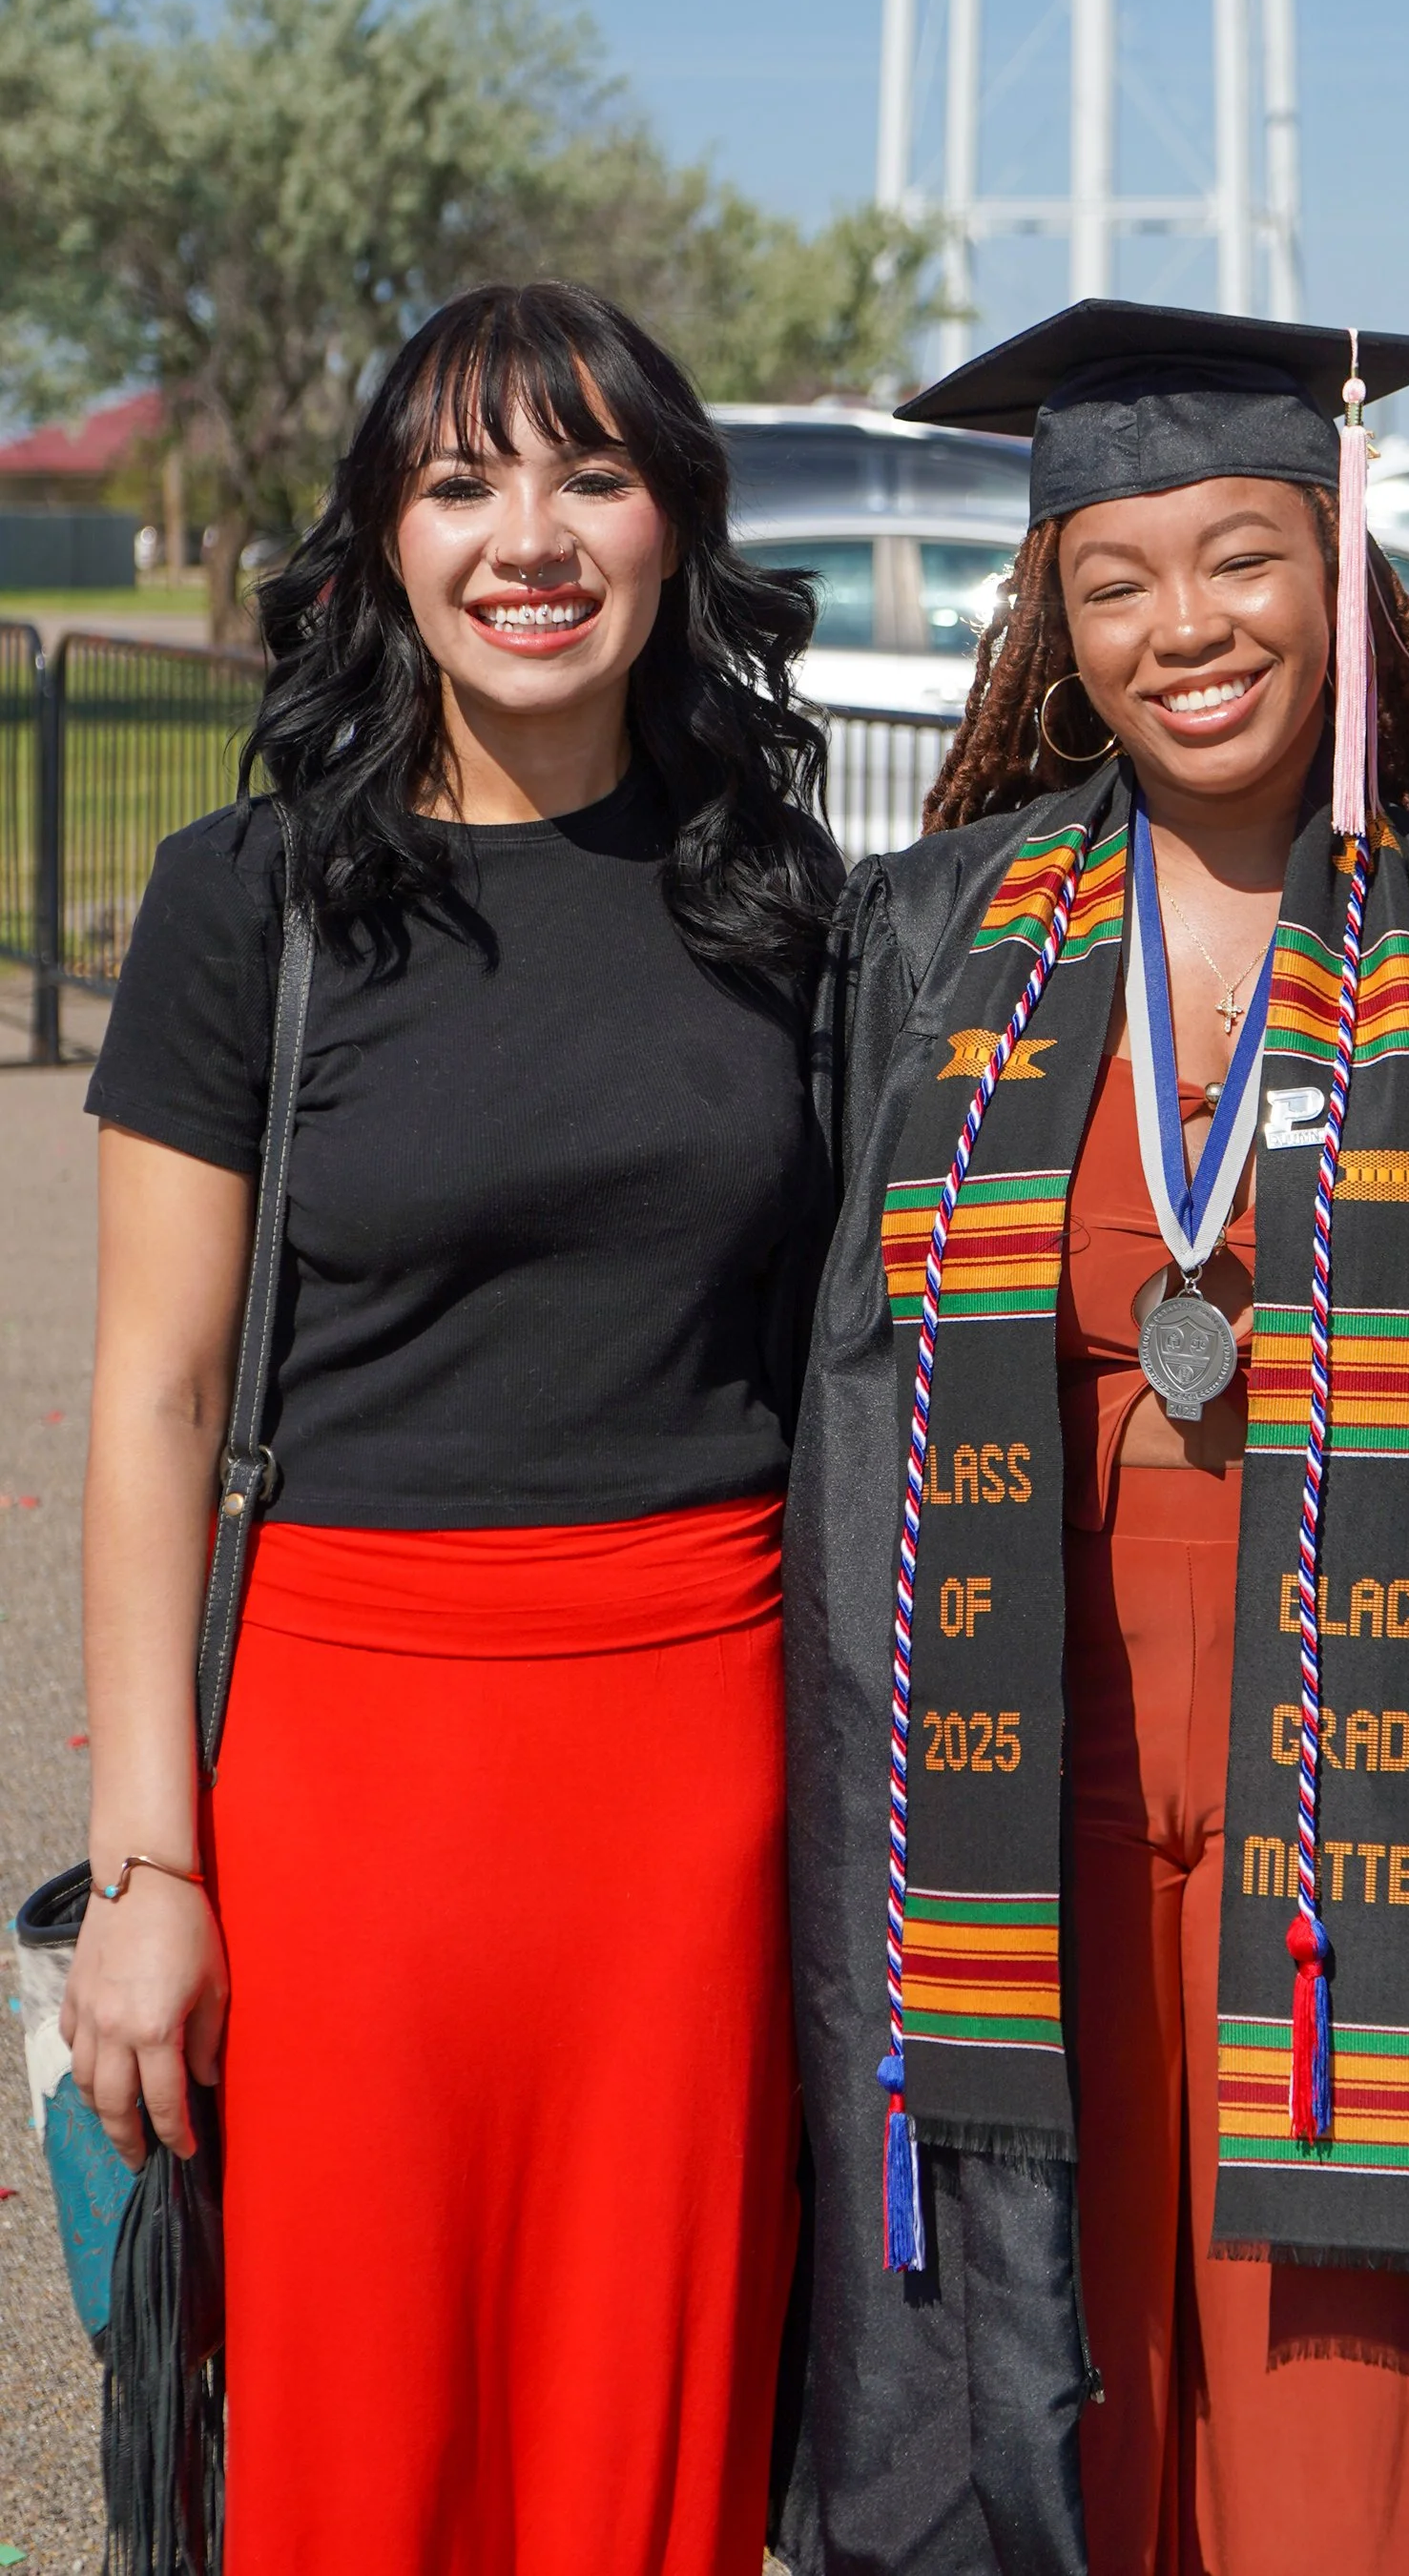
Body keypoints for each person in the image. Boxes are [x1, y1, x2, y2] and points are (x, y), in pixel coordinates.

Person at [780, 300, 1409, 2576]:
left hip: (1369, 1793)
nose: (1183, 631)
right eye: (1113, 582)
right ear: (1054, 623)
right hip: (1019, 1782)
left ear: (1341, 579)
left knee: (1337, 2445)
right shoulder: (936, 934)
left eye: (1240, 558)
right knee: (1050, 2385)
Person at [61, 279, 839, 2576]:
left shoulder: (780, 900)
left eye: (591, 473)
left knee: (651, 2408)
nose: (532, 535)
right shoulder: (255, 899)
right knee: (346, 2421)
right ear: (386, 543)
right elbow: (152, 1398)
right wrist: (145, 1868)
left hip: (701, 1781)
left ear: (677, 524)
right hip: (345, 1774)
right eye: (464, 481)